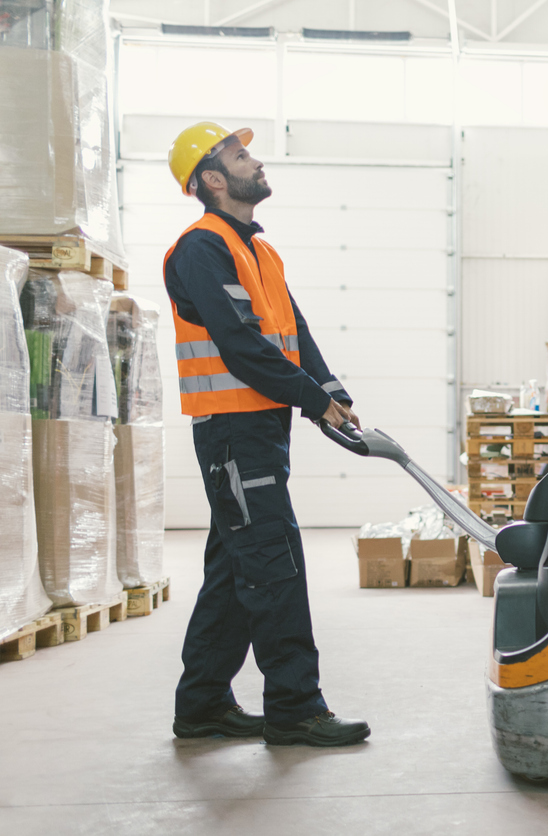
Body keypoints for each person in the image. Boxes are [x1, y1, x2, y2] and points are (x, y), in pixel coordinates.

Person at [163, 122, 370, 747]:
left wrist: (329, 390)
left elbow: (292, 329)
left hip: (260, 428)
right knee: (272, 563)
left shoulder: (258, 248)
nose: (256, 162)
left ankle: (201, 704)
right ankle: (294, 706)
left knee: (238, 565)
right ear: (213, 180)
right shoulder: (201, 248)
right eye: (240, 155)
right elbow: (241, 345)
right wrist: (312, 400)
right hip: (231, 433)